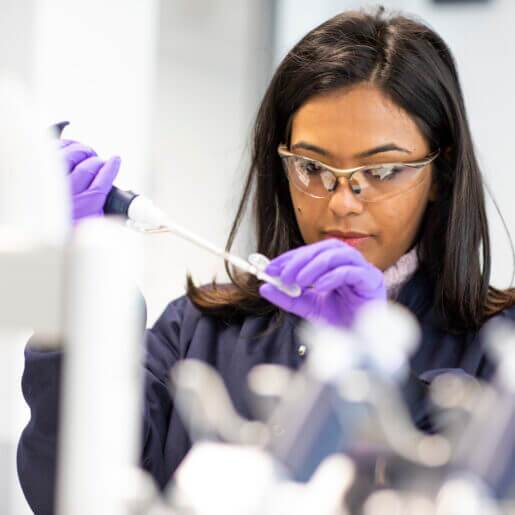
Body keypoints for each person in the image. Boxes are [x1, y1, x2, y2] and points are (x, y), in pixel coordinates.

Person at [17, 7, 515, 514]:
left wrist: (375, 362)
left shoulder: (499, 352)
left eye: (382, 170)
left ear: (442, 173)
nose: (341, 201)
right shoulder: (198, 334)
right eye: (311, 167)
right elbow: (67, 493)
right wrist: (75, 299)